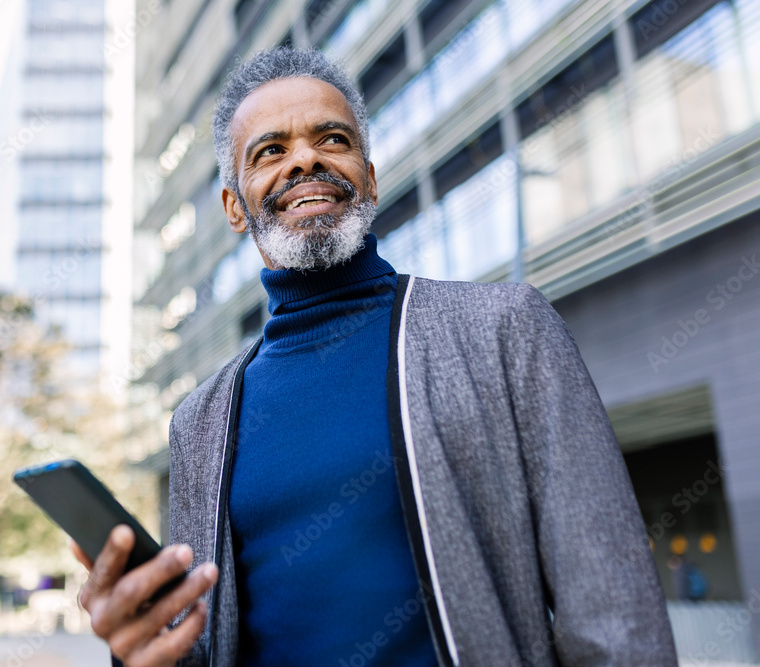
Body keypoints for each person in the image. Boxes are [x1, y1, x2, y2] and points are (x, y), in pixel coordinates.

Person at [71, 47, 678, 666]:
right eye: (270, 151)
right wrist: (137, 645)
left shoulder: (503, 330)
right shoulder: (199, 421)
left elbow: (617, 620)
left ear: (369, 178)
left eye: (331, 139)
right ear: (234, 207)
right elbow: (197, 644)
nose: (305, 159)